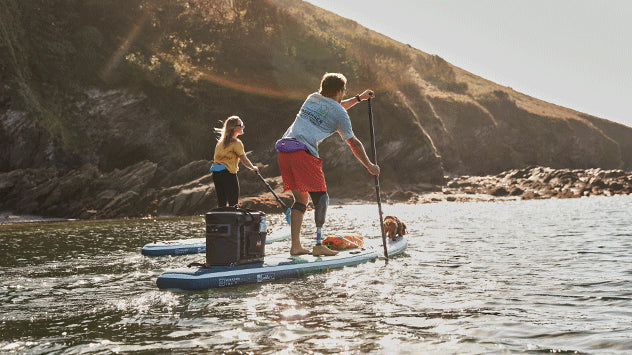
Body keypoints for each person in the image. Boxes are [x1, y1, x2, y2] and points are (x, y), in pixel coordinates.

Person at [276, 73, 380, 256]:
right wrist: (370, 166)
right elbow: (353, 142)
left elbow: (335, 107)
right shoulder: (339, 113)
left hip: (284, 150)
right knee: (321, 198)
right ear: (340, 91)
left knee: (300, 200)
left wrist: (358, 99)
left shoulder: (312, 98)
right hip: (303, 153)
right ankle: (317, 245)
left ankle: (296, 247)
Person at [210, 116, 259, 207]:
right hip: (228, 174)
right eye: (241, 125)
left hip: (216, 175)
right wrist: (253, 168)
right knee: (233, 202)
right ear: (233, 128)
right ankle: (233, 219)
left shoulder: (220, 142)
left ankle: (222, 219)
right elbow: (244, 159)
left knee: (222, 203)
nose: (243, 127)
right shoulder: (236, 143)